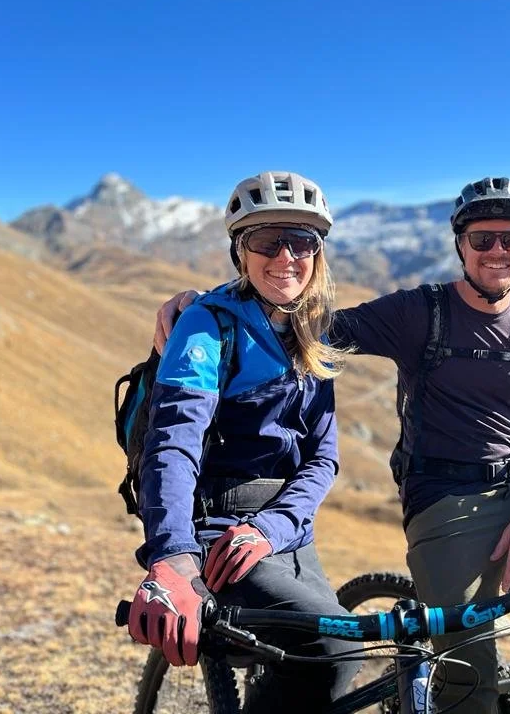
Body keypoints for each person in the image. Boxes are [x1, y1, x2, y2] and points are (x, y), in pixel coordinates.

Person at [155, 177, 510, 714]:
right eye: (481, 239)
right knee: (470, 687)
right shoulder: (420, 312)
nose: (496, 251)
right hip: (446, 501)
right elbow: (301, 323)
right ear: (460, 244)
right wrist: (202, 308)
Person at [128, 171, 359, 713]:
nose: (285, 256)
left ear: (318, 252)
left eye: (301, 241)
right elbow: (173, 445)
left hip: (287, 528)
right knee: (333, 649)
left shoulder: (312, 332)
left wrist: (273, 526)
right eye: (265, 240)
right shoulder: (206, 327)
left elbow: (324, 456)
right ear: (240, 250)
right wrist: (174, 558)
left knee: (339, 657)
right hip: (220, 533)